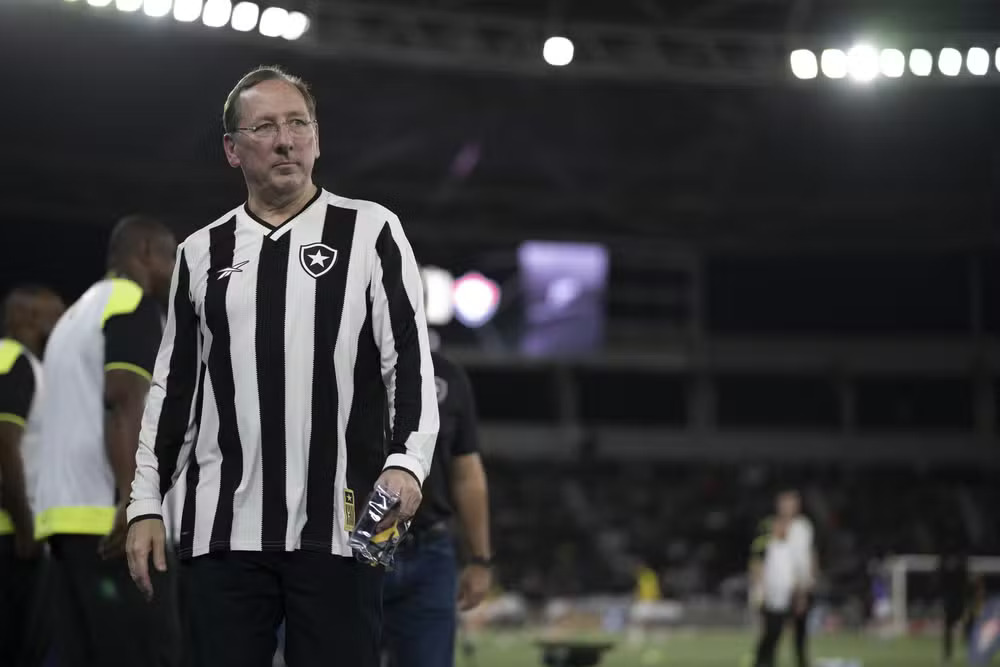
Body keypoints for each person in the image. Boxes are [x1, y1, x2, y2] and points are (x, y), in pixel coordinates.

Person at [125, 65, 439, 667]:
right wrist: (144, 503)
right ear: (232, 150)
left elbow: (410, 361)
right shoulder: (199, 252)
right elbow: (173, 393)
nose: (286, 139)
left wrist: (407, 464)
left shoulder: (372, 230)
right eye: (265, 127)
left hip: (349, 524)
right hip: (220, 530)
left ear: (318, 139)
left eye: (299, 123)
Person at [32, 215, 181, 667]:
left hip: (64, 522)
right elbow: (123, 399)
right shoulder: (129, 304)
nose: (176, 269)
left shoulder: (74, 316)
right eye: (171, 257)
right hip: (112, 523)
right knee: (149, 653)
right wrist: (134, 500)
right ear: (147, 253)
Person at [382, 347, 491, 667]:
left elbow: (467, 472)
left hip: (428, 549)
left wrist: (481, 559)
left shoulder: (446, 375)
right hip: (356, 547)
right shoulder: (343, 362)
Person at [0, 285, 64, 667]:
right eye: (55, 316)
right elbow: (5, 444)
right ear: (28, 319)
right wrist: (25, 526)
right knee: (21, 650)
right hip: (11, 537)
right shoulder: (16, 362)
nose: (61, 325)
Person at [749, 514, 796, 667]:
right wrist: (760, 590)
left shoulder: (789, 546)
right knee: (767, 630)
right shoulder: (764, 544)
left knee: (778, 630)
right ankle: (760, 660)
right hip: (767, 594)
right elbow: (756, 566)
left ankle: (770, 660)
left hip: (783, 596)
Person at [777, 489, 816, 667]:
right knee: (774, 627)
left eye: (791, 504)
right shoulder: (774, 525)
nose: (788, 507)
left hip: (800, 583)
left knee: (800, 628)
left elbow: (807, 555)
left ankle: (802, 661)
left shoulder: (803, 527)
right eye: (785, 503)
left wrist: (808, 581)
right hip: (779, 584)